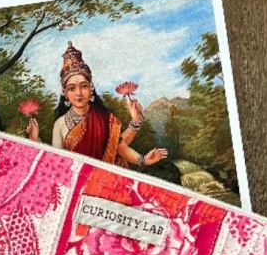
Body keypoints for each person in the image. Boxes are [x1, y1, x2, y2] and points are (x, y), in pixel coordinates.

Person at [25, 41, 168, 169]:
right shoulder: (60, 124)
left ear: (91, 88)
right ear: (65, 93)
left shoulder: (105, 118)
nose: (79, 93)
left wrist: (143, 159)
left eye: (83, 86)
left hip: (106, 179)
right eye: (72, 88)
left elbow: (119, 147)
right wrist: (35, 141)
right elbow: (56, 162)